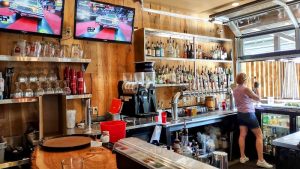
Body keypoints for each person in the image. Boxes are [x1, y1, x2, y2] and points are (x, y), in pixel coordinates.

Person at [233, 73, 273, 168]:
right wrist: (257, 88)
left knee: (242, 135)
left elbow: (246, 98)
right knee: (259, 135)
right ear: (245, 80)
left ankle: (242, 157)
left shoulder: (235, 90)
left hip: (240, 114)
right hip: (249, 114)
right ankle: (261, 160)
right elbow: (258, 98)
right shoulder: (246, 89)